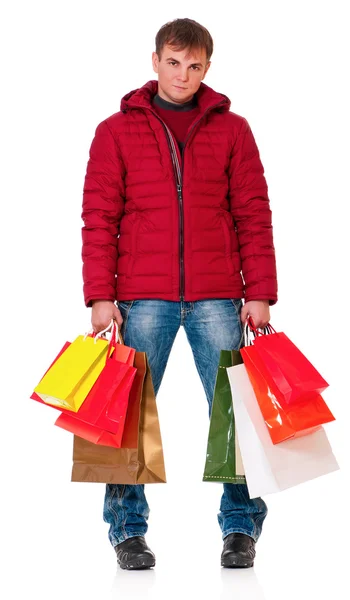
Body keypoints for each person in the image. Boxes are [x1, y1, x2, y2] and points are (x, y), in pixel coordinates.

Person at [81, 17, 278, 570]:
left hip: (219, 296)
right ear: (155, 62)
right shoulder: (115, 131)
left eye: (194, 66)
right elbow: (99, 218)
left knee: (234, 414)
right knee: (124, 415)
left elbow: (253, 214)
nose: (182, 75)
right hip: (141, 298)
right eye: (173, 62)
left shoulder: (233, 130)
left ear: (207, 68)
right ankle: (127, 530)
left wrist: (259, 290)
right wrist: (100, 294)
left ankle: (240, 528)